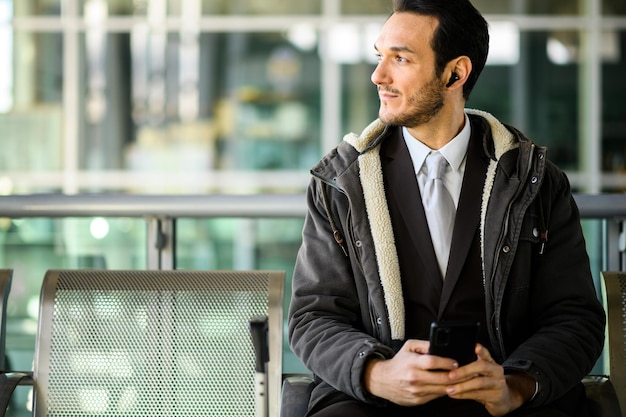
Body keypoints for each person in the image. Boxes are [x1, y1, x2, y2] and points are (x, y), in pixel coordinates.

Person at [287, 0, 606, 416]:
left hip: (504, 401)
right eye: (380, 56)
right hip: (377, 402)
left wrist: (515, 385)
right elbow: (313, 317)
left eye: (400, 58)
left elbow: (575, 317)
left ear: (455, 72)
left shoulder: (537, 181)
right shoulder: (340, 183)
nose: (378, 75)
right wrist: (376, 374)